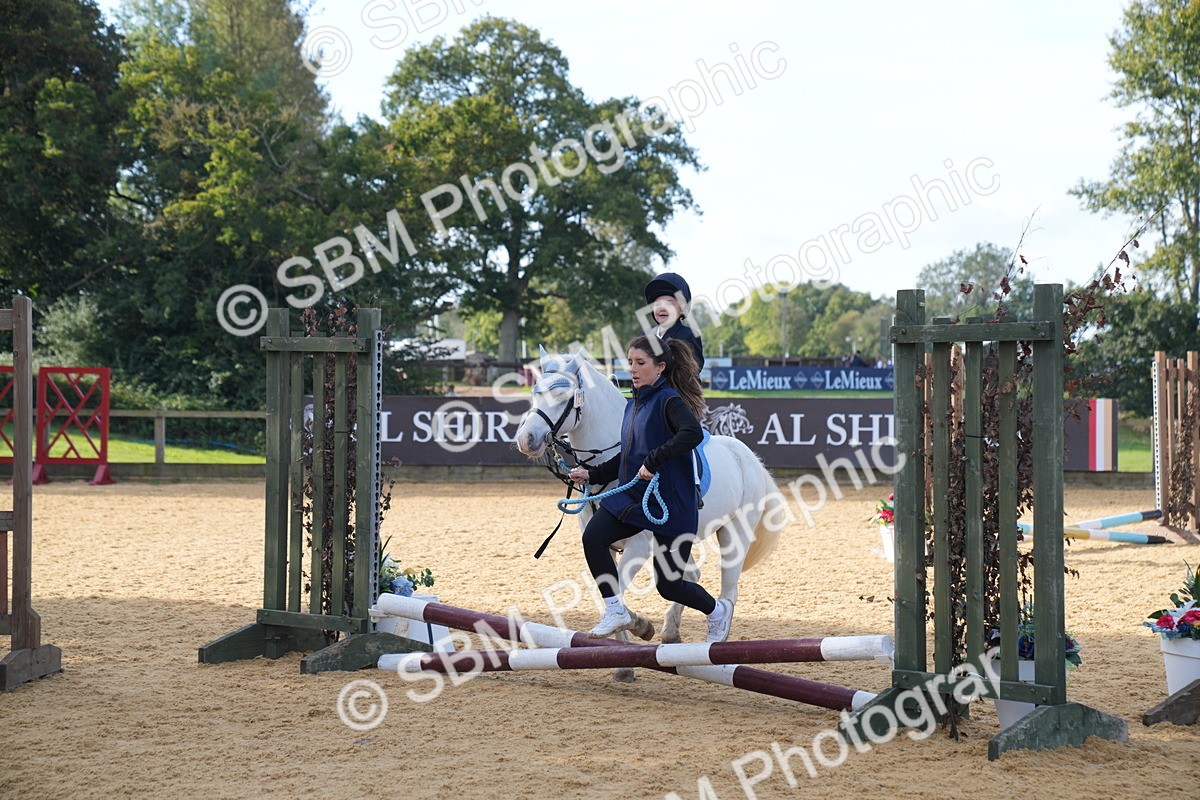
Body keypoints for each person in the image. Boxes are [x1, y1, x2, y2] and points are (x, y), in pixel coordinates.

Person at [567, 335, 733, 643]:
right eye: (630, 362)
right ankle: (615, 609)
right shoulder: (633, 404)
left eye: (640, 363)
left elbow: (692, 433)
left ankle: (717, 610)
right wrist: (592, 473)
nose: (632, 368)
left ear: (660, 367)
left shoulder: (669, 400)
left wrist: (655, 460)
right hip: (634, 498)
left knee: (669, 586)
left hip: (671, 503)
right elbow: (628, 455)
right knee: (593, 536)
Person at [644, 272, 704, 368]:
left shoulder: (688, 335)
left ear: (682, 309)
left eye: (669, 304)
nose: (662, 308)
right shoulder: (646, 335)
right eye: (657, 304)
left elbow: (695, 367)